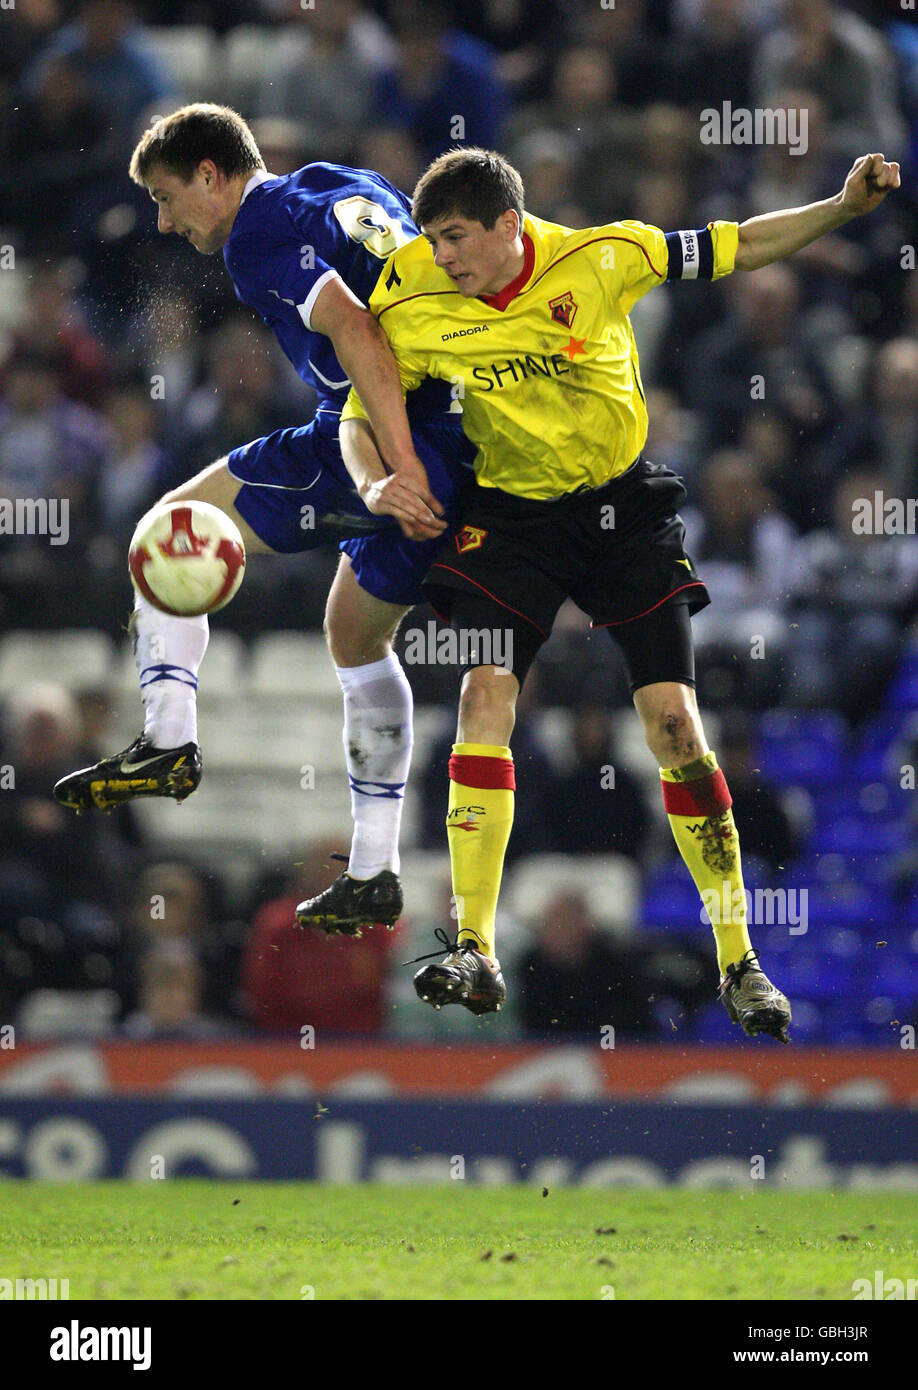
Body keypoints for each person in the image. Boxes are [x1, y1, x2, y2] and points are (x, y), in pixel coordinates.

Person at [338, 144, 900, 1040]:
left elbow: (740, 246)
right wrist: (374, 483)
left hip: (620, 510)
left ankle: (739, 962)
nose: (441, 257)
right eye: (433, 240)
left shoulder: (605, 257)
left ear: (508, 226)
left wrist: (837, 207)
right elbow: (359, 410)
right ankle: (474, 944)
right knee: (484, 694)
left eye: (454, 238)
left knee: (674, 724)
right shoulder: (407, 290)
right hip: (512, 518)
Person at [52, 103, 476, 938]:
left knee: (168, 529)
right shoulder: (343, 181)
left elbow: (356, 330)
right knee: (355, 637)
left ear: (213, 175)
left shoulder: (256, 234)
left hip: (390, 433)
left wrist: (399, 464)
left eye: (170, 200)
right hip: (457, 421)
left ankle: (169, 740)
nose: (166, 225)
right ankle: (375, 869)